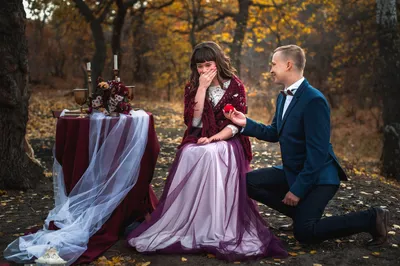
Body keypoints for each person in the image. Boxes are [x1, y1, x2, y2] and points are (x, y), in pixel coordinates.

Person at [126, 41, 287, 261]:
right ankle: (192, 219)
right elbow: (193, 122)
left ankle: (216, 222)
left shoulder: (235, 85)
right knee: (190, 153)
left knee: (212, 153)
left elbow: (237, 124)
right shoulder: (193, 86)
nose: (203, 70)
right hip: (199, 134)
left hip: (229, 139)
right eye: (199, 66)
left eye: (208, 65)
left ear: (218, 63)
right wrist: (201, 88)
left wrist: (215, 138)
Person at [225, 44, 390, 246]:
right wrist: (245, 123)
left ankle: (372, 218)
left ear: (288, 65)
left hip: (320, 177)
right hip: (294, 170)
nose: (270, 69)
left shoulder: (314, 100)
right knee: (247, 182)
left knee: (305, 233)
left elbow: (318, 154)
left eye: (273, 64)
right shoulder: (282, 96)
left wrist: (297, 190)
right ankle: (301, 214)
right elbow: (274, 132)